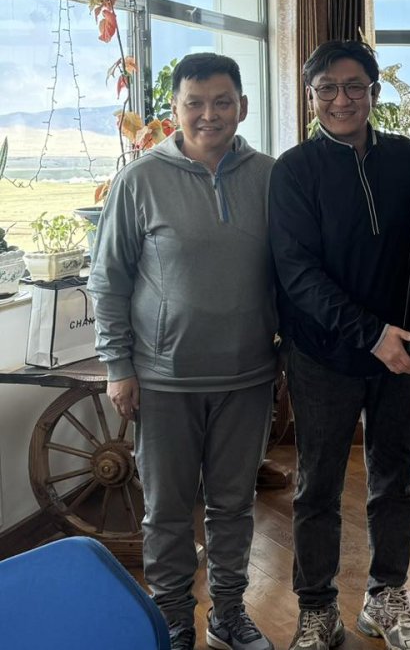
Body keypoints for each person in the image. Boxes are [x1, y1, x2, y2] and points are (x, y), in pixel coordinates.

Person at [89, 53, 277, 650]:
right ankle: (172, 618)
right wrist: (118, 366)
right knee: (167, 511)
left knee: (234, 505)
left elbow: (293, 272)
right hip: (163, 380)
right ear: (175, 109)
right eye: (195, 103)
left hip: (248, 377)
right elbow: (108, 280)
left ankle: (228, 613)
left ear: (242, 107)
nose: (208, 114)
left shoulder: (271, 177)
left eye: (222, 102)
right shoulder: (140, 180)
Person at [268, 40, 410, 650]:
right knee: (317, 487)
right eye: (328, 89)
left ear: (374, 93)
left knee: (396, 479)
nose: (342, 99)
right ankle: (317, 610)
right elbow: (298, 274)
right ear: (311, 97)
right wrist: (371, 334)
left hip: (402, 355)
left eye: (355, 86)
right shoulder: (294, 170)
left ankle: (386, 597)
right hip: (321, 356)